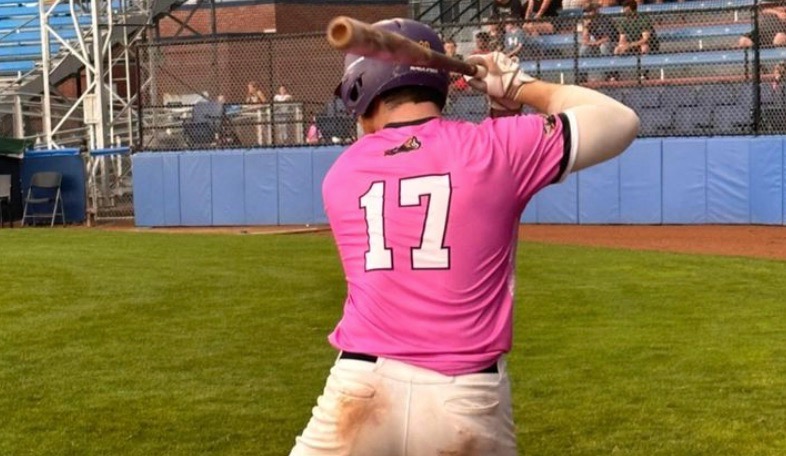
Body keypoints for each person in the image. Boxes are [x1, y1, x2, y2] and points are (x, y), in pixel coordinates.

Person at [289, 17, 639, 456]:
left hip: (358, 389)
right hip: (465, 397)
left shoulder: (343, 173)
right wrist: (517, 85)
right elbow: (619, 120)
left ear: (363, 88)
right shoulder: (497, 148)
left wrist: (501, 115)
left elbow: (418, 160)